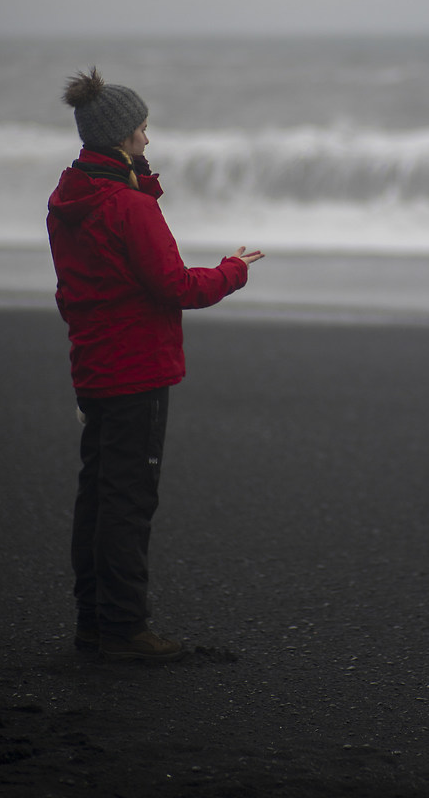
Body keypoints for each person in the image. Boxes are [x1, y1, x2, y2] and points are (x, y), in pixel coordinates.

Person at [47, 67, 263, 662]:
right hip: (136, 368)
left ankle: (95, 623)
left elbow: (90, 280)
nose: (149, 140)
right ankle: (123, 631)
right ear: (118, 137)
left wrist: (141, 184)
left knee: (98, 497)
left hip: (94, 364)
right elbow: (175, 286)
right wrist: (233, 270)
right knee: (127, 502)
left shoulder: (70, 199)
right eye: (142, 131)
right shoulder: (128, 207)